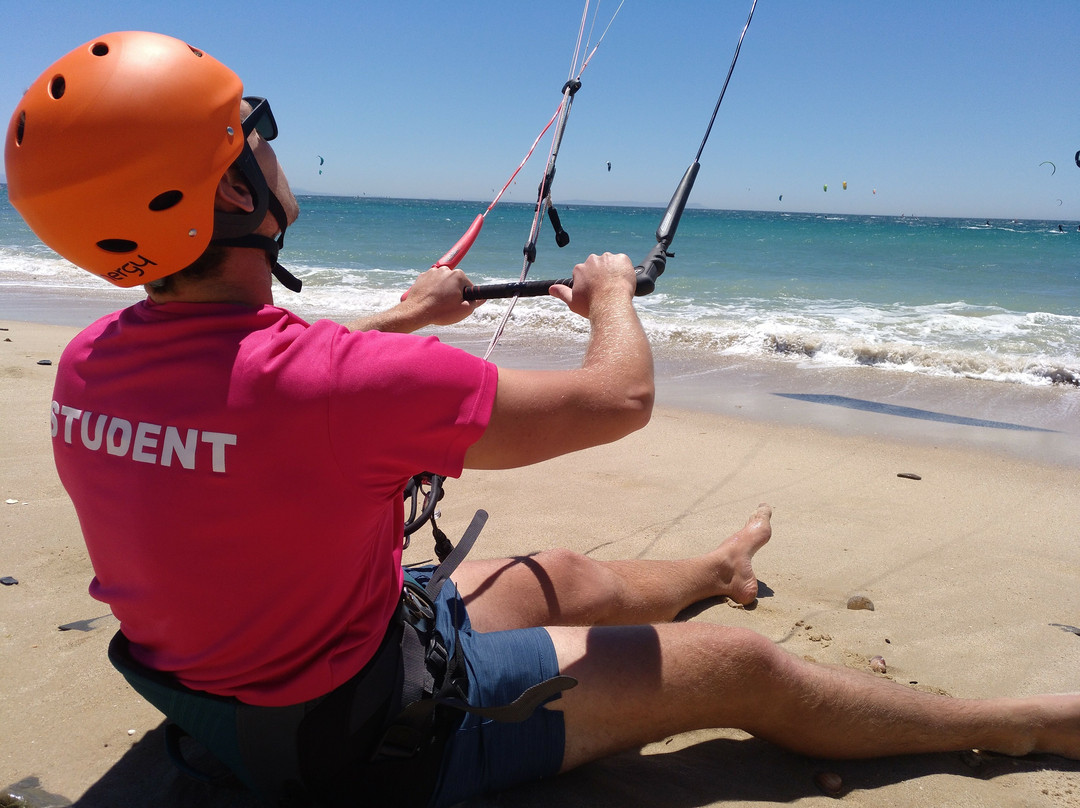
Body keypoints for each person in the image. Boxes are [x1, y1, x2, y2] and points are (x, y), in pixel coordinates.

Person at [6, 31, 1080, 808]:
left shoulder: (90, 367)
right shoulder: (336, 385)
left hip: (268, 687)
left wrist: (405, 316)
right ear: (235, 192)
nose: (274, 146)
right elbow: (619, 400)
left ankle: (714, 569)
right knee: (741, 669)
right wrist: (612, 296)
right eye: (256, 132)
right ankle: (1013, 722)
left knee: (556, 571)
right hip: (369, 741)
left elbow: (250, 381)